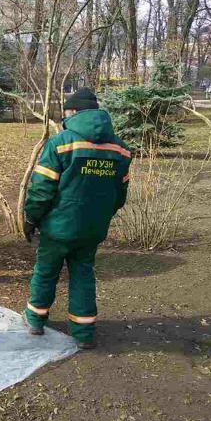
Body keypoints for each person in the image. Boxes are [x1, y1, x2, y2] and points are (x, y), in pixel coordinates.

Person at [22, 89, 131, 349]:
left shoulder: (60, 143)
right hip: (92, 230)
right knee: (83, 275)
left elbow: (42, 189)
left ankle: (35, 321)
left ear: (72, 112)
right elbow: (120, 194)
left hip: (58, 228)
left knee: (46, 272)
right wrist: (100, 216)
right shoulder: (121, 150)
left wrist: (31, 218)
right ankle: (83, 334)